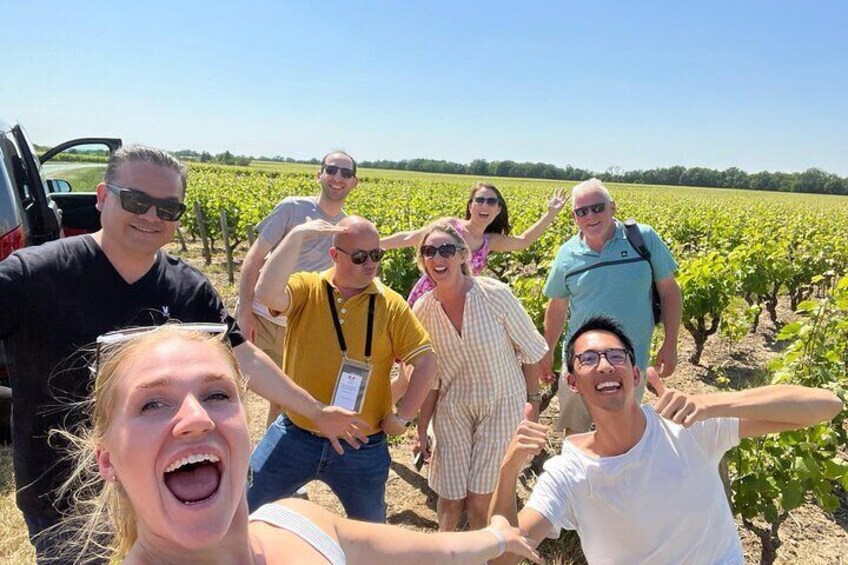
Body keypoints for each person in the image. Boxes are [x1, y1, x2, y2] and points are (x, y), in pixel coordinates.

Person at [0, 145, 362, 563]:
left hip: (172, 492)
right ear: (102, 197)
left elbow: (243, 357)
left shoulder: (187, 288)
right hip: (66, 497)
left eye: (168, 209)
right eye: (136, 201)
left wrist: (315, 412)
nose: (152, 216)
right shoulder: (32, 276)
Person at [60, 324, 543, 564]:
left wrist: (498, 536)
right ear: (107, 459)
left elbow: (429, 553)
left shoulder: (296, 520)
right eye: (152, 405)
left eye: (216, 394)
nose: (195, 418)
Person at [489, 316, 843, 565]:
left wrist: (710, 403)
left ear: (636, 373)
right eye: (588, 359)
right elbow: (502, 557)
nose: (605, 365)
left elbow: (825, 406)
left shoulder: (687, 424)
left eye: (616, 356)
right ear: (571, 383)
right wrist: (508, 471)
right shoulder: (567, 473)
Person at [248, 215, 438, 522]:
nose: (371, 264)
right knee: (248, 511)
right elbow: (267, 294)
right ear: (335, 256)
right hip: (298, 432)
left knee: (370, 531)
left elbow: (426, 360)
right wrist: (295, 235)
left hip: (361, 443)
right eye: (360, 257)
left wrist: (402, 417)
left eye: (376, 255)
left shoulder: (391, 304)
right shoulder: (308, 287)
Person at [411, 220, 548, 532]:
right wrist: (421, 428)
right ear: (423, 261)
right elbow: (430, 377)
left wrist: (533, 407)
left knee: (481, 500)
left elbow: (530, 351)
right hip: (453, 409)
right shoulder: (423, 309)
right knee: (449, 498)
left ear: (462, 255)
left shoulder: (495, 295)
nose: (437, 257)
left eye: (446, 249)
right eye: (429, 251)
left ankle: (482, 555)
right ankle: (446, 554)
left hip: (501, 404)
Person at [540, 178, 682, 435]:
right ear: (574, 216)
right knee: (576, 432)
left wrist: (670, 343)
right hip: (580, 362)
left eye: (598, 207)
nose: (590, 216)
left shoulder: (642, 238)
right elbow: (557, 307)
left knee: (622, 431)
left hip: (631, 360)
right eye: (582, 211)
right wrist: (547, 350)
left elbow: (670, 292)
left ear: (613, 207)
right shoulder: (567, 254)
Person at [237, 151, 359, 426]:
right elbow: (254, 258)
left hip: (297, 325)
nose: (338, 177)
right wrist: (244, 311)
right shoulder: (292, 208)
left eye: (346, 173)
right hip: (261, 319)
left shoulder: (347, 227)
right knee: (234, 391)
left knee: (283, 400)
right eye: (331, 170)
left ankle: (265, 465)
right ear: (320, 175)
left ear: (354, 183)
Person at [382, 182, 568, 307]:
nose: (484, 205)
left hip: (460, 302)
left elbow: (524, 241)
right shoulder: (450, 226)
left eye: (491, 201)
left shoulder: (489, 241)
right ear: (471, 206)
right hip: (429, 296)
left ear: (498, 209)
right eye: (479, 200)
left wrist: (550, 213)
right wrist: (375, 244)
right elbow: (409, 238)